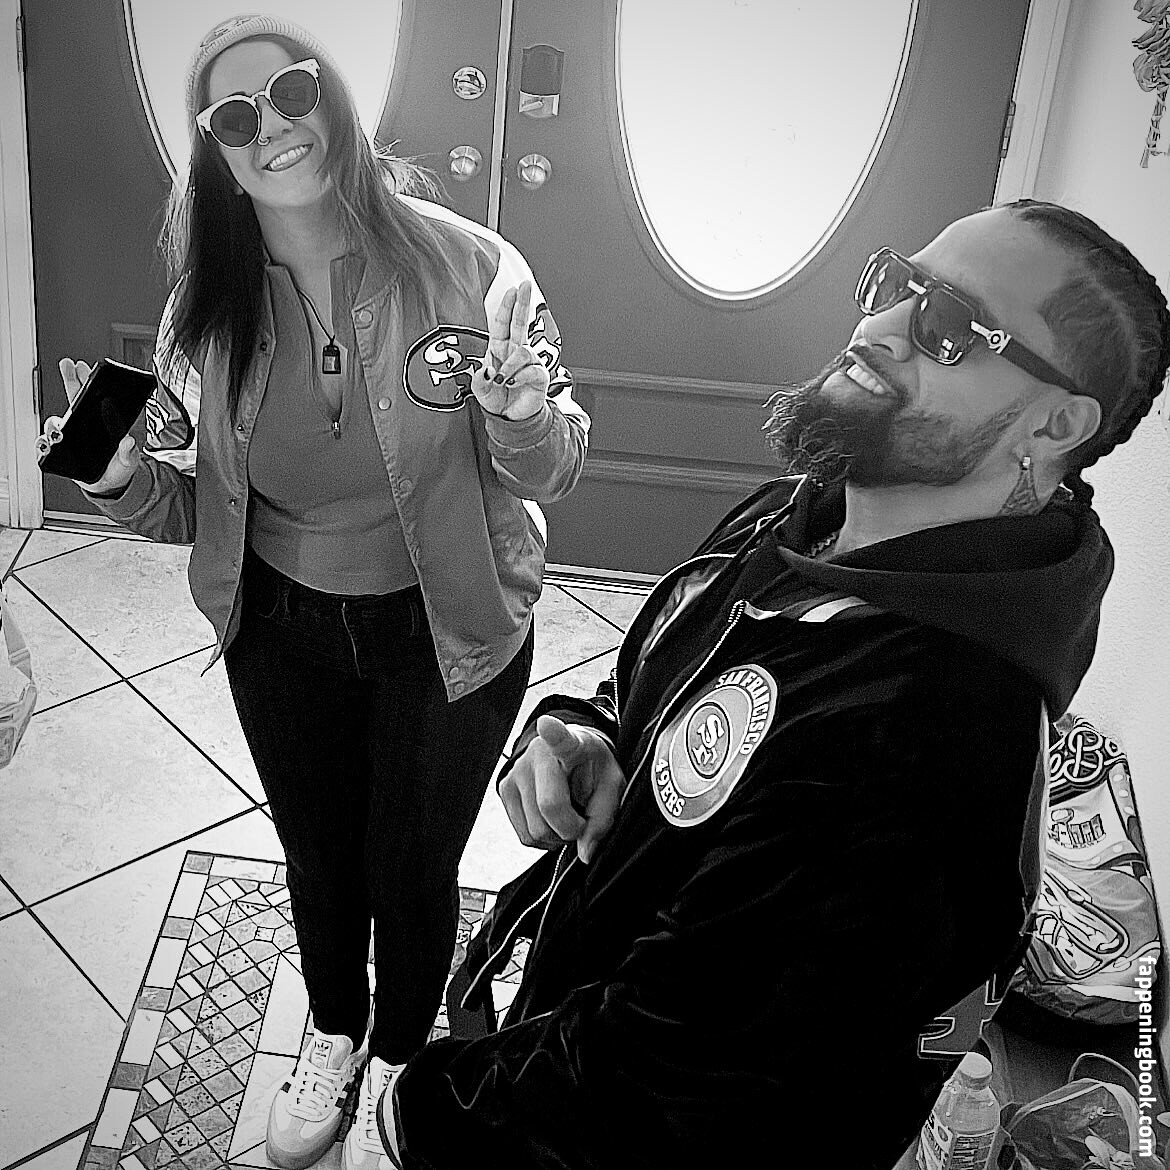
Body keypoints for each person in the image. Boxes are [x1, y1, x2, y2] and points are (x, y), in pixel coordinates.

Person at [370, 201, 1170, 1169]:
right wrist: (590, 731)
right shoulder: (821, 515)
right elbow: (679, 672)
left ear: (1056, 422)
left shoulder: (925, 747)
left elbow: (659, 1101)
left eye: (950, 325)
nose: (880, 326)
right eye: (899, 283)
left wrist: (413, 1114)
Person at [48, 14, 589, 1169]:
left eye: (292, 92)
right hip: (282, 631)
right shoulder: (204, 312)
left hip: (449, 628)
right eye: (236, 117)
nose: (273, 128)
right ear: (215, 152)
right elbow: (198, 516)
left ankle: (398, 1049)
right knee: (318, 853)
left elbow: (551, 471)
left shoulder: (475, 270)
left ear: (332, 96)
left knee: (412, 863)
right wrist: (118, 478)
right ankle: (336, 1031)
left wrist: (522, 417)